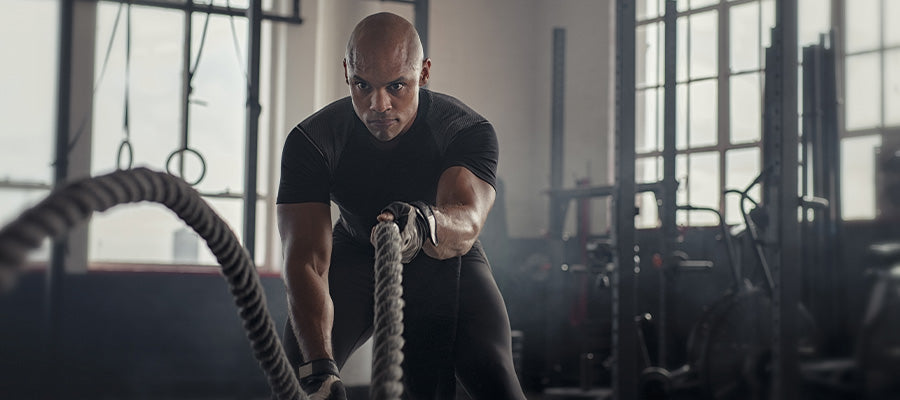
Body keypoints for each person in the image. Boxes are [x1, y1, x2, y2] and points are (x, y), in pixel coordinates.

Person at [276, 11, 526, 400]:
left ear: (423, 74)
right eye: (363, 85)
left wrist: (424, 222)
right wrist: (318, 366)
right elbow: (306, 260)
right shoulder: (312, 141)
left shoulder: (463, 129)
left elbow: (468, 219)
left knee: (497, 379)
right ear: (346, 72)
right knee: (298, 380)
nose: (378, 104)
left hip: (444, 254)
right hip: (356, 252)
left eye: (397, 86)